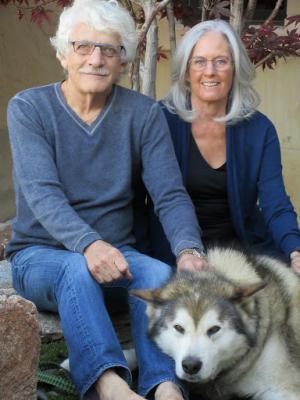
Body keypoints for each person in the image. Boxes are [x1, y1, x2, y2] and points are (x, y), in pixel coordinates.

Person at [5, 1, 208, 399]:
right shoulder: (29, 108)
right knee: (76, 270)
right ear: (63, 54)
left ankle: (165, 385)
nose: (96, 59)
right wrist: (89, 244)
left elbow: (169, 194)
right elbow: (43, 195)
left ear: (123, 61)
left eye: (109, 50)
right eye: (83, 46)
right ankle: (108, 385)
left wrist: (188, 249)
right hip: (40, 256)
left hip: (117, 256)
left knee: (157, 274)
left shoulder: (144, 114)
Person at [141, 19, 300, 275]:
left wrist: (295, 250)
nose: (210, 71)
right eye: (200, 61)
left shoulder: (259, 129)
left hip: (242, 254)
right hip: (174, 253)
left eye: (221, 61)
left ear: (235, 69)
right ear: (186, 71)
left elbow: (275, 202)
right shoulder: (159, 121)